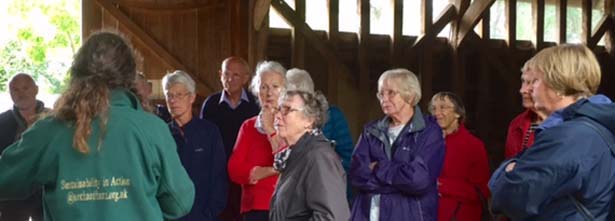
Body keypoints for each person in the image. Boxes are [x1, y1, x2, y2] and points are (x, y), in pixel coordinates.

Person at [0, 31, 195, 221]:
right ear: (129, 75)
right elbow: (180, 203)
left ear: (76, 73)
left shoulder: (48, 130)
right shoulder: (152, 128)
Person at [489, 44, 615, 220]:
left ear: (558, 85)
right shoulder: (593, 125)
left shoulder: (569, 137)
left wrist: (508, 170)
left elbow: (509, 196)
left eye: (536, 81)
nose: (529, 89)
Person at [350, 68, 445, 221]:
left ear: (410, 96)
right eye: (381, 93)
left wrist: (378, 168)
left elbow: (418, 180)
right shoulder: (370, 130)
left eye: (391, 93)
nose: (384, 99)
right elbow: (356, 175)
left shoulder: (429, 132)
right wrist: (399, 181)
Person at [269, 90, 350, 221]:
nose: (277, 116)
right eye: (278, 109)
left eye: (286, 110)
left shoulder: (319, 157)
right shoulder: (296, 154)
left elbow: (332, 217)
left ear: (309, 120)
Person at [163, 70, 228, 221]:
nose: (173, 100)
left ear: (192, 97)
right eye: (169, 95)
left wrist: (209, 214)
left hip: (203, 215)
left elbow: (219, 177)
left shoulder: (209, 132)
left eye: (179, 95)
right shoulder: (162, 134)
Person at [200, 57, 260, 221]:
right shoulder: (210, 104)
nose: (230, 79)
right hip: (218, 172)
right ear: (220, 75)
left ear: (246, 78)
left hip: (246, 174)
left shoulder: (256, 104)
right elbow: (203, 139)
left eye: (236, 75)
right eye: (226, 74)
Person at [227, 61, 286, 221]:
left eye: (275, 87)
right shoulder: (248, 126)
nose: (269, 93)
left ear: (284, 91)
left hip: (285, 205)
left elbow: (287, 162)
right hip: (253, 207)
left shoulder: (291, 123)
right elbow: (234, 169)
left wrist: (270, 129)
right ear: (256, 90)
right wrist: (268, 171)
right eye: (264, 87)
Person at [285, 68, 354, 200]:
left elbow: (348, 156)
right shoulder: (281, 118)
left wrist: (328, 172)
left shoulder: (332, 115)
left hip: (325, 188)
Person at [428, 92, 490, 221]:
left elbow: (481, 192)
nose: (436, 113)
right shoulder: (426, 142)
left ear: (458, 113)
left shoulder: (473, 145)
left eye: (443, 107)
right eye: (433, 108)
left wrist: (440, 185)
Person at [0, 73, 48, 221]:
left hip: (46, 190)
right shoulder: (2, 122)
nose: (21, 93)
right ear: (10, 93)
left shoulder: (53, 118)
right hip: (12, 194)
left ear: (36, 89)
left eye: (25, 88)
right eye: (15, 89)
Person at [504, 62, 548, 159]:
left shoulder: (566, 124)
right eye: (523, 82)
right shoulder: (517, 124)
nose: (522, 90)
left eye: (531, 83)